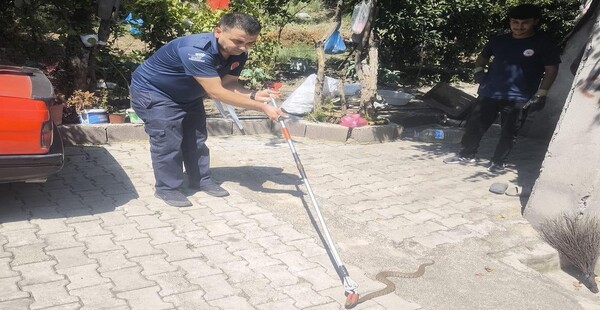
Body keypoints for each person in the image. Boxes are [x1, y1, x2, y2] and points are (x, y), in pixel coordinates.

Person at [130, 13, 286, 207]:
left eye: (250, 43)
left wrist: (254, 95)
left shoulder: (239, 53)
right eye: (238, 41)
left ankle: (201, 179)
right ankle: (168, 188)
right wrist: (261, 107)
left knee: (196, 138)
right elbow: (216, 92)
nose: (244, 48)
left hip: (189, 94)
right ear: (218, 31)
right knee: (168, 140)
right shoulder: (196, 50)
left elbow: (228, 84)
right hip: (155, 92)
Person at [443, 4, 560, 173]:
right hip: (490, 92)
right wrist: (478, 74)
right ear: (510, 22)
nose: (519, 26)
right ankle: (466, 154)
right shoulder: (499, 40)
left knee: (509, 132)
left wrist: (541, 94)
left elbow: (551, 69)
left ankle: (498, 161)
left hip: (519, 97)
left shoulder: (543, 44)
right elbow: (482, 58)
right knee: (474, 126)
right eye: (515, 22)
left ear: (535, 22)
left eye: (524, 22)